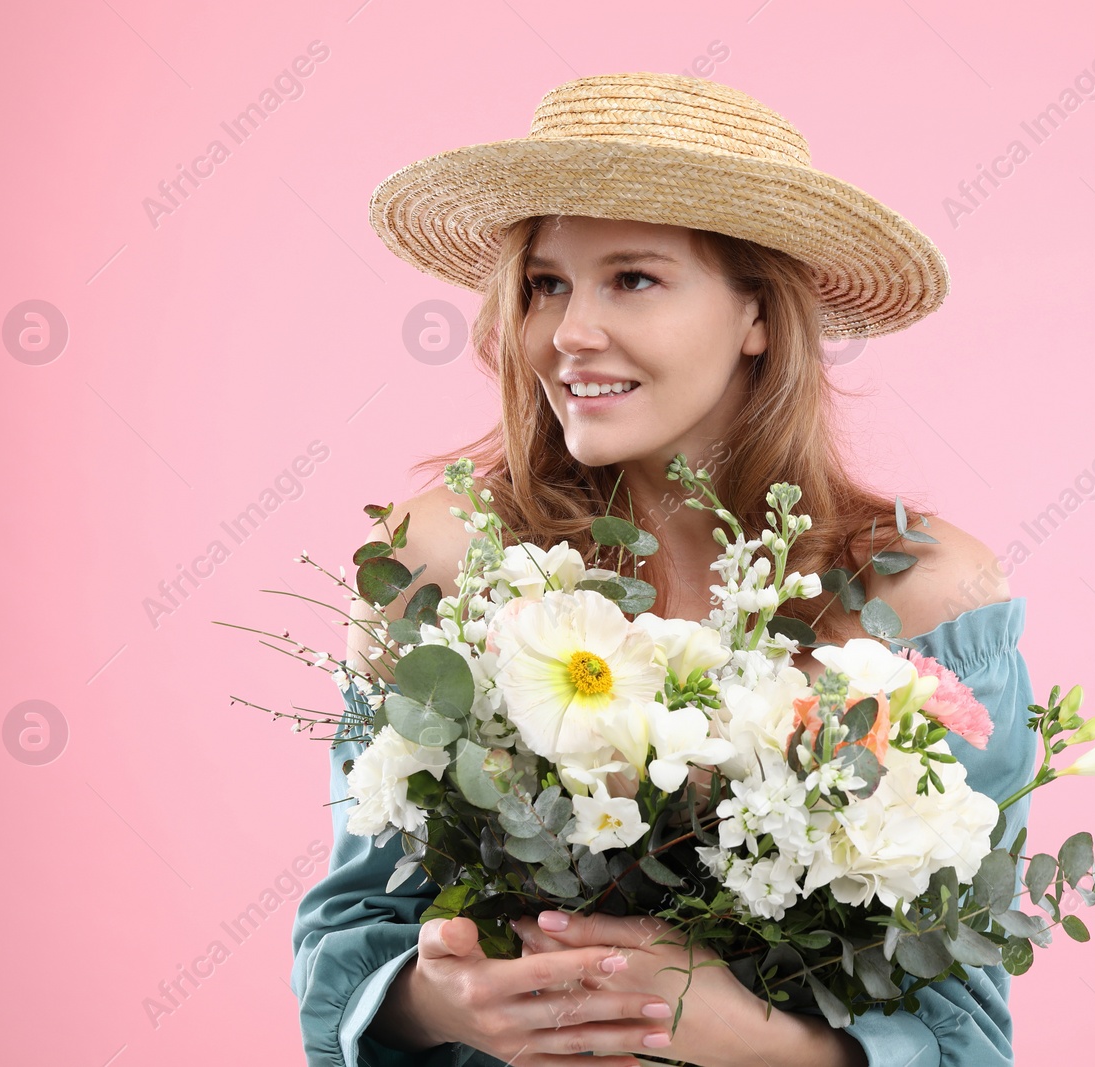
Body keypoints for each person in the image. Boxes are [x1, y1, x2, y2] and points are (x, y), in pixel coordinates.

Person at [290, 72, 1037, 1067]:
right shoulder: (436, 564)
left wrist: (758, 1040)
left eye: (632, 278)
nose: (567, 333)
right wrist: (444, 998)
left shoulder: (924, 596)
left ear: (758, 316)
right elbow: (353, 935)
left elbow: (966, 1035)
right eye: (547, 282)